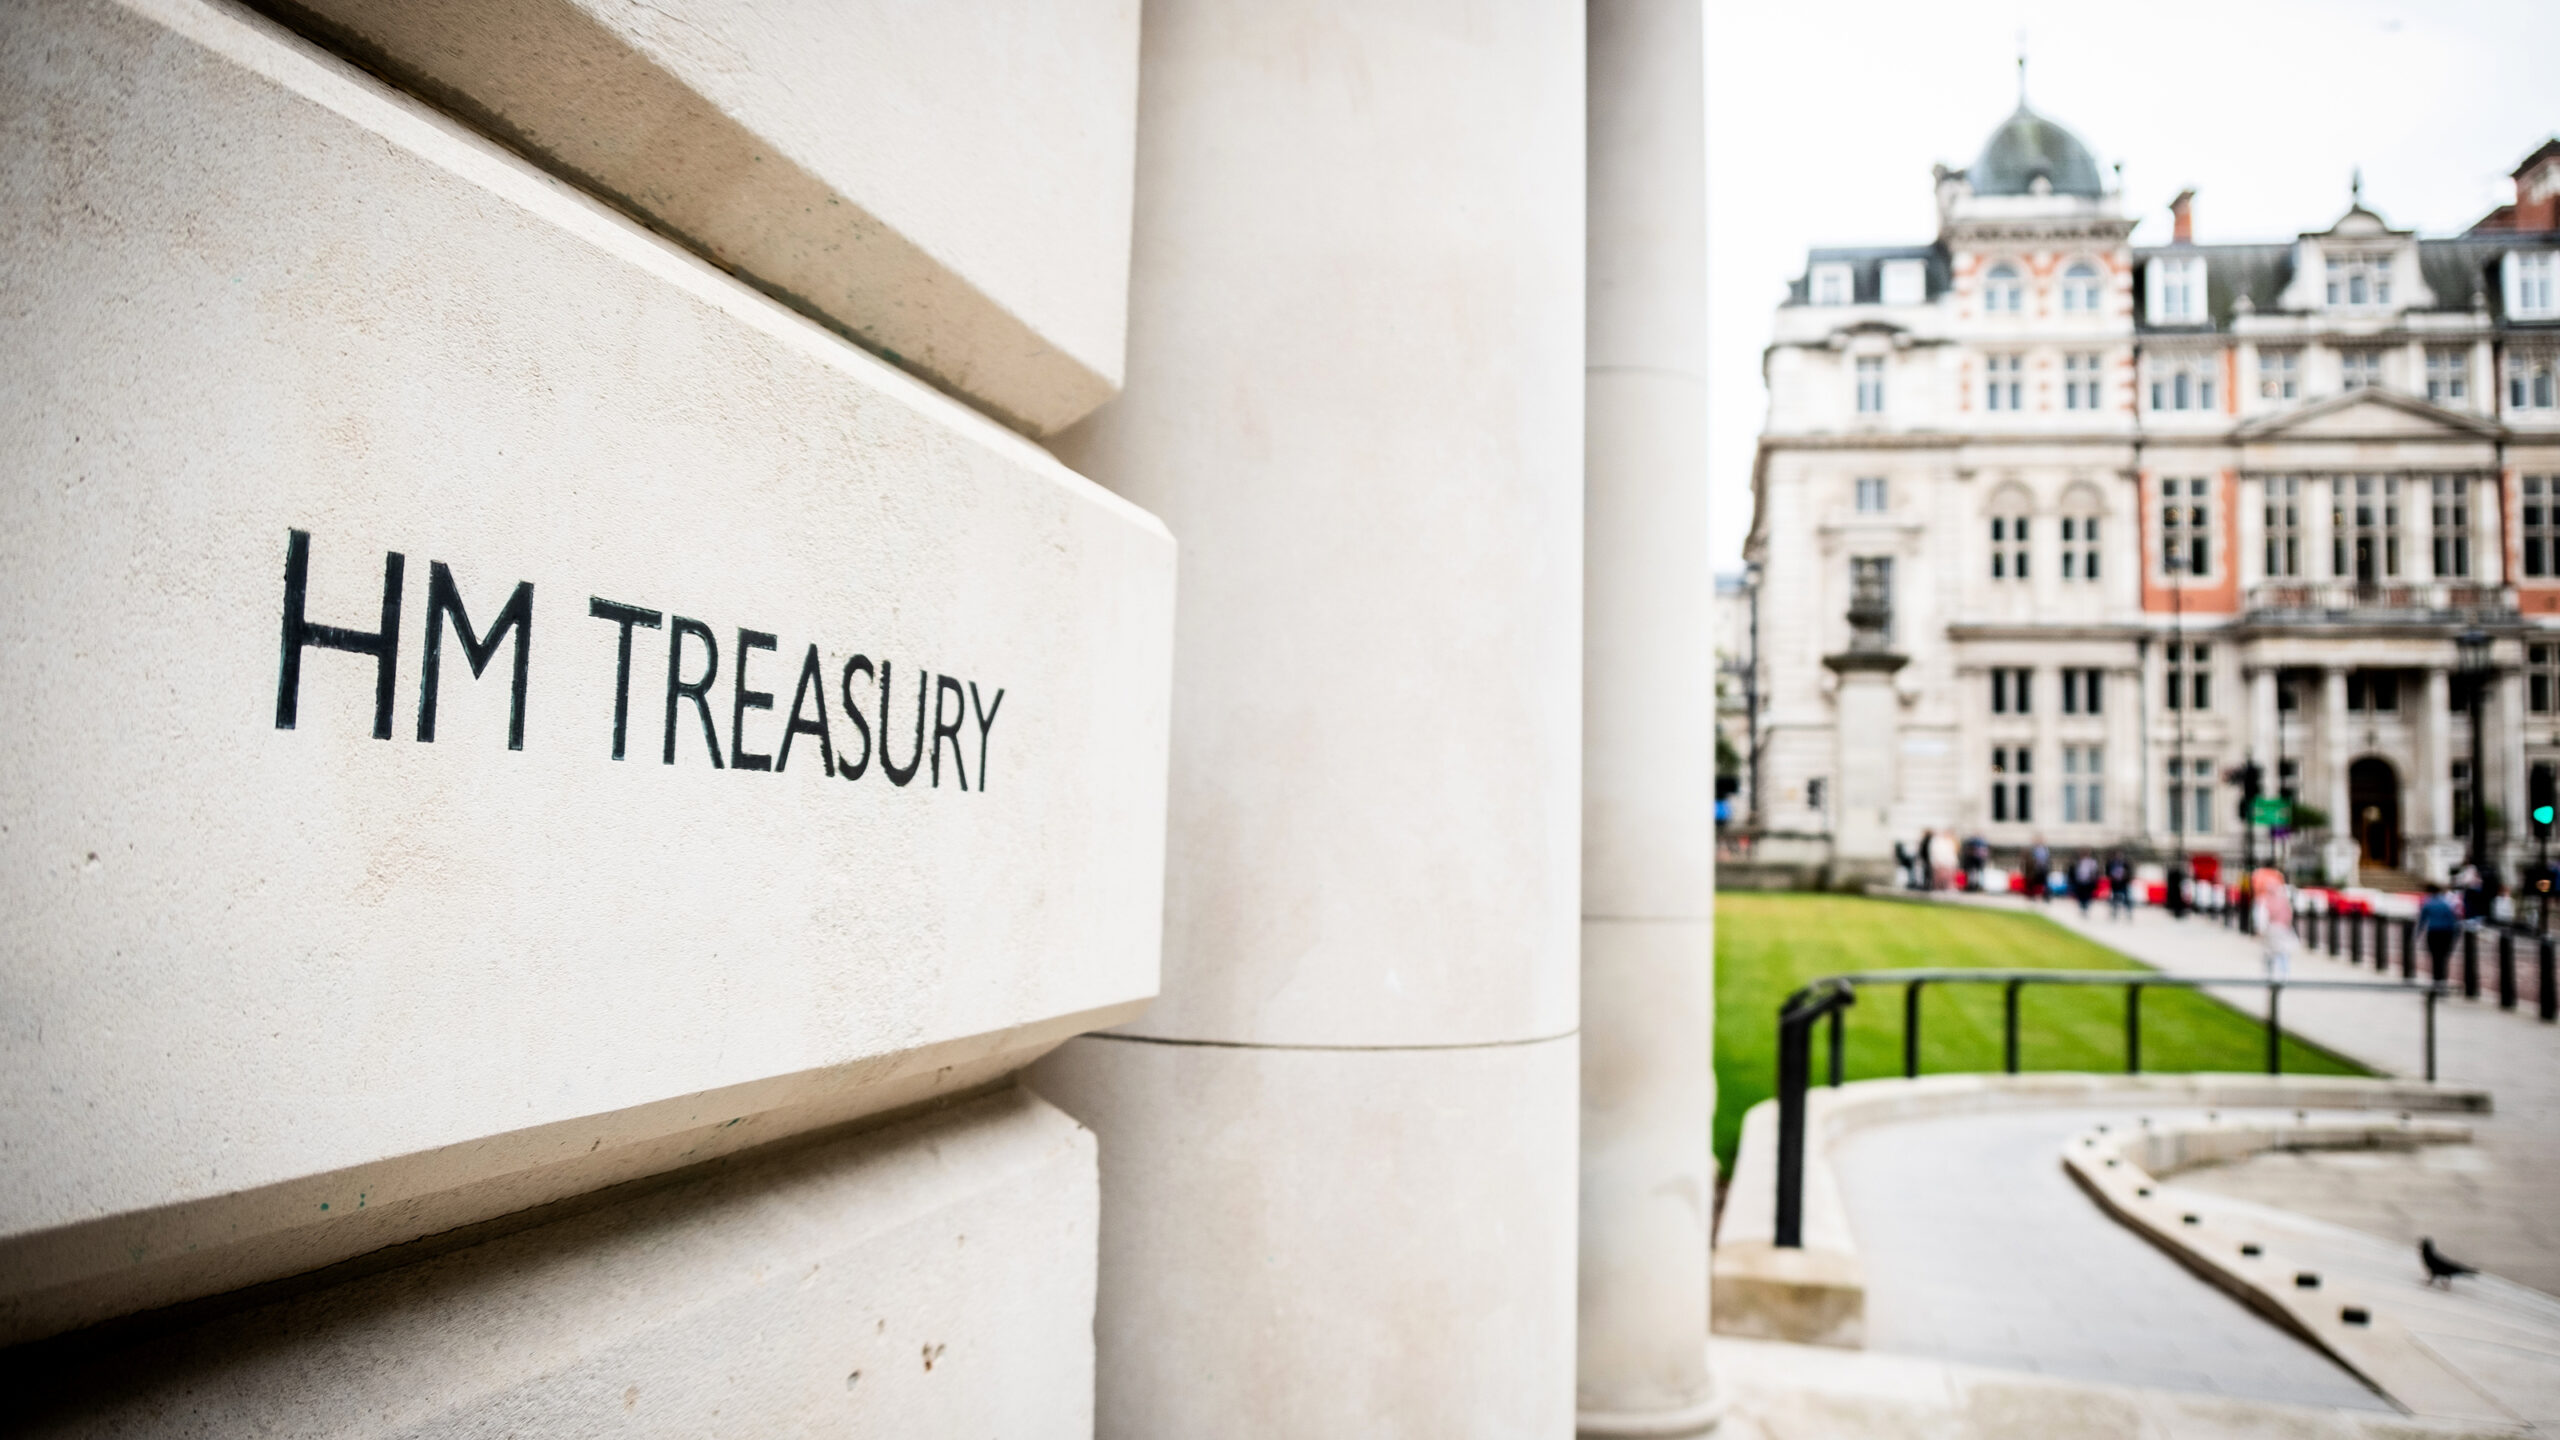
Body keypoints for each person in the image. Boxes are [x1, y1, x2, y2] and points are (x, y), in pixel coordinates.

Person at [2254, 866, 2296, 980]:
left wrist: (2260, 930)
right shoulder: (2283, 899)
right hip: (2283, 930)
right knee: (2283, 952)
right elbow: (2289, 915)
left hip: (2272, 929)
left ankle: (2271, 976)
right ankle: (2284, 975)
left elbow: (2261, 918)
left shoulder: (2264, 900)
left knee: (2270, 953)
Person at [2419, 883, 2463, 986]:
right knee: (2444, 956)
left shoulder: (2428, 903)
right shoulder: (2447, 903)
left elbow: (2422, 921)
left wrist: (2417, 935)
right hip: (2446, 932)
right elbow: (2453, 919)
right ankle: (2443, 978)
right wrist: (2456, 934)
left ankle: (2436, 978)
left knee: (2435, 956)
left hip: (2433, 932)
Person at [2105, 850, 2134, 920]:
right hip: (2115, 884)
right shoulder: (2111, 863)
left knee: (2126, 899)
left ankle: (2128, 912)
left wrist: (2127, 878)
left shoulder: (2125, 863)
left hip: (2124, 883)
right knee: (2115, 898)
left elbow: (2129, 872)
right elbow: (2108, 872)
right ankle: (2114, 912)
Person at [2070, 850, 2100, 915]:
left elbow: (2094, 871)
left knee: (2087, 895)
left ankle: (2086, 906)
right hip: (2080, 881)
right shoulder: (2079, 861)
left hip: (2088, 881)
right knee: (2081, 895)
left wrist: (2092, 878)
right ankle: (2082, 906)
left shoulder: (2092, 862)